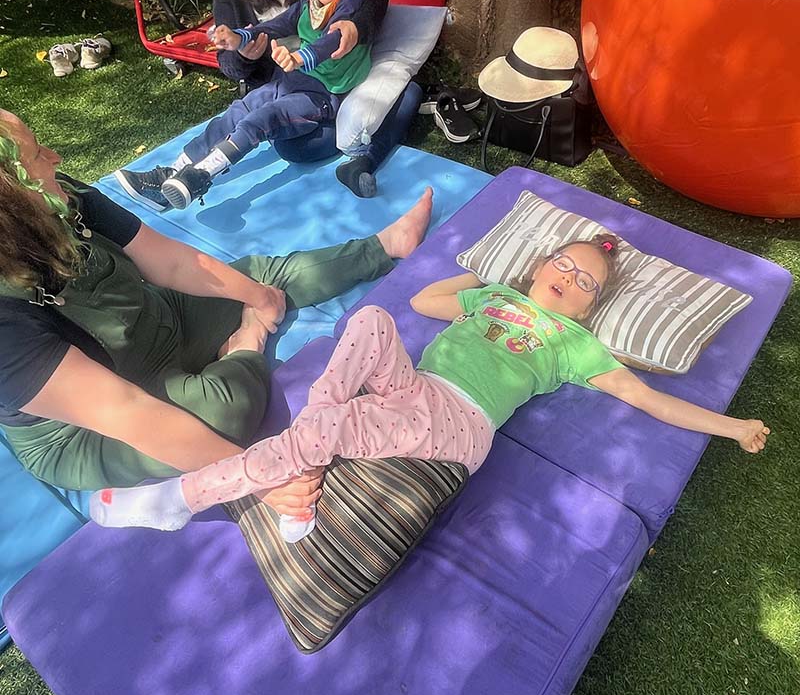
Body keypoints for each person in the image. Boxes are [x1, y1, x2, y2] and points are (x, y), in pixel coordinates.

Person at [89, 234, 770, 537]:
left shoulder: (576, 343)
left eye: (585, 282)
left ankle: (181, 497)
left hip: (460, 422)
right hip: (417, 388)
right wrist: (489, 273)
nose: (569, 277)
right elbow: (424, 303)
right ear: (539, 267)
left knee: (332, 423)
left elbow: (646, 397)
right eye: (563, 263)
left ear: (590, 308)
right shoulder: (496, 296)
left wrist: (732, 426)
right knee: (374, 318)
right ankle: (307, 460)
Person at [0, 110, 434, 530]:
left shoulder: (60, 196)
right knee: (224, 414)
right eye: (38, 155)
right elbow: (126, 411)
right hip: (82, 428)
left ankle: (384, 246)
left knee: (258, 280)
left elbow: (171, 262)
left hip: (152, 322)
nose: (55, 156)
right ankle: (244, 349)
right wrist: (260, 478)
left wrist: (258, 296)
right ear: (11, 203)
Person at [116, 0, 407, 200]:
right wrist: (241, 44)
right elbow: (259, 38)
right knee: (241, 113)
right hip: (279, 83)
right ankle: (175, 170)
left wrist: (355, 27)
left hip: (318, 91)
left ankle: (202, 174)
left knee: (289, 142)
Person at [144, 0, 372, 211]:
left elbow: (334, 40)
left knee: (262, 118)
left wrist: (299, 58)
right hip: (291, 81)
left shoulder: (351, 2)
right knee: (240, 109)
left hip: (321, 96)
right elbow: (274, 25)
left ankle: (201, 175)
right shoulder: (308, 3)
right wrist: (239, 37)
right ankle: (178, 166)